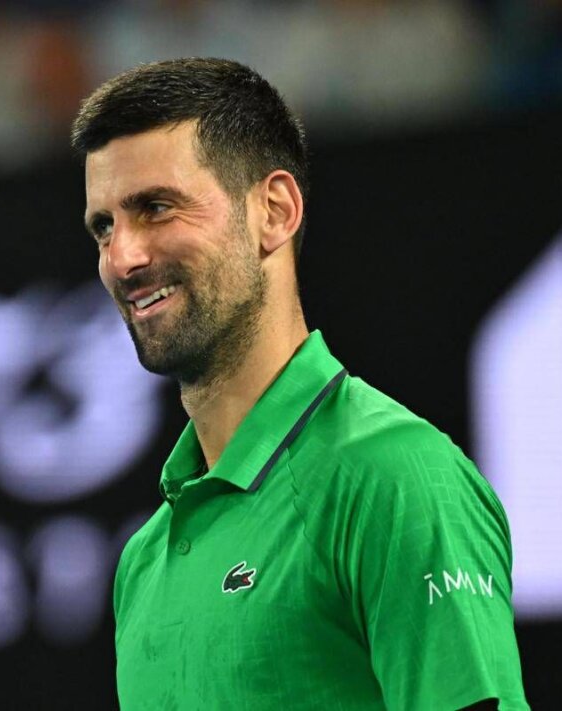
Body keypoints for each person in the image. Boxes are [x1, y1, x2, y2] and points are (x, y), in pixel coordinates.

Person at [71, 58, 529, 710]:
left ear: (275, 211)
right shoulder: (142, 564)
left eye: (157, 207)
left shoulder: (395, 477)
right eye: (104, 226)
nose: (123, 258)